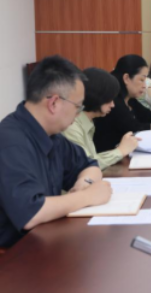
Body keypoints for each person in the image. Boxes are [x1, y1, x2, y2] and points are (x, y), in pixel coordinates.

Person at [0, 56, 111, 248]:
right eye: (78, 107)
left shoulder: (52, 135)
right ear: (54, 103)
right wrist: (87, 196)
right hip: (13, 255)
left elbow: (89, 165)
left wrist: (85, 183)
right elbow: (31, 213)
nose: (78, 114)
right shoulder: (10, 142)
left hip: (46, 241)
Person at [93, 55, 151, 153]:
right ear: (126, 78)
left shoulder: (130, 99)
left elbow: (146, 114)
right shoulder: (114, 100)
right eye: (142, 80)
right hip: (108, 156)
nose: (144, 86)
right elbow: (133, 127)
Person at [63, 68, 140, 171]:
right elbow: (85, 166)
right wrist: (120, 151)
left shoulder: (88, 122)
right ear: (97, 97)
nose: (113, 105)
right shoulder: (72, 126)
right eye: (109, 99)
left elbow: (91, 159)